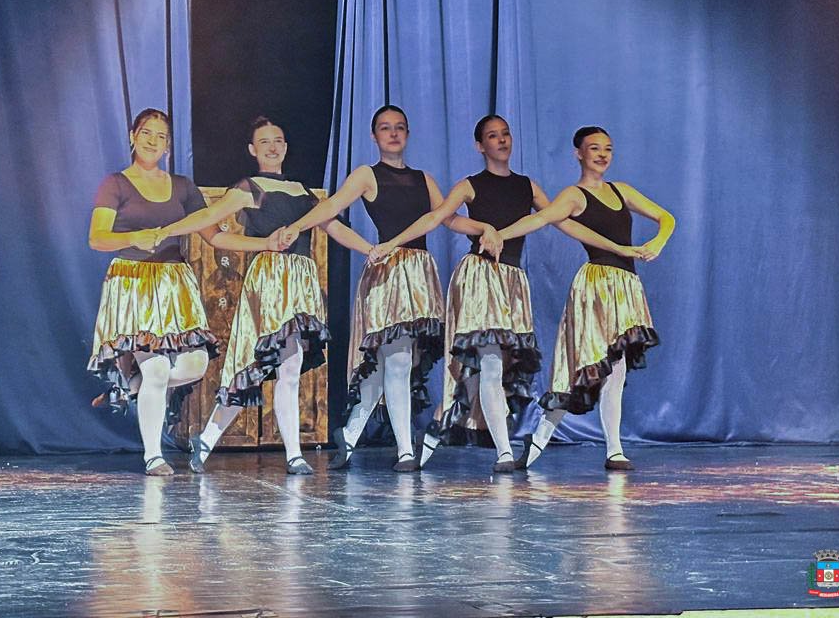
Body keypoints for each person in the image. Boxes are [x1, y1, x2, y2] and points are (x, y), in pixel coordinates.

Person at [281, 105, 499, 471]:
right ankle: (405, 449)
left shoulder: (424, 179)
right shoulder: (367, 175)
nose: (393, 133)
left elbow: (447, 218)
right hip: (389, 272)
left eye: (399, 127)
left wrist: (484, 228)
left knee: (390, 365)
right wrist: (297, 226)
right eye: (385, 128)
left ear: (408, 134)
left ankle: (350, 434)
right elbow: (330, 207)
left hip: (420, 275)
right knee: (396, 362)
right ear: (374, 136)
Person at [154, 116, 375, 474]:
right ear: (252, 149)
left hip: (300, 282)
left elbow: (333, 226)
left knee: (291, 368)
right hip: (270, 279)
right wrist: (165, 230)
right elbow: (210, 219)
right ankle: (207, 439)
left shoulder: (303, 191)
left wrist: (371, 250)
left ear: (285, 146)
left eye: (278, 140)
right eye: (264, 142)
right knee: (251, 365)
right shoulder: (248, 187)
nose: (272, 147)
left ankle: (294, 454)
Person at [368, 114, 552, 473]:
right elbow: (438, 218)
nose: (501, 140)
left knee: (482, 374)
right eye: (492, 136)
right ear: (480, 146)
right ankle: (504, 452)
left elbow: (559, 215)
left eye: (505, 134)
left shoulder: (527, 186)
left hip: (513, 283)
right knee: (490, 364)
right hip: (481, 279)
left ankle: (435, 431)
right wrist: (392, 243)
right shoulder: (470, 185)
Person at [497, 125, 674, 470]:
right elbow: (541, 218)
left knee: (616, 369)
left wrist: (657, 242)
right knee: (585, 367)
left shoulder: (621, 190)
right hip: (596, 286)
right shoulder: (574, 196)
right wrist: (498, 235)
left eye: (608, 148)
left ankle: (614, 449)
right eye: (594, 148)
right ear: (578, 154)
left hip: (626, 286)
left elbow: (666, 218)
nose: (603, 154)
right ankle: (539, 440)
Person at [86, 108, 220, 476]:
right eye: (147, 132)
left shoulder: (183, 186)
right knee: (158, 368)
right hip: (134, 283)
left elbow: (213, 232)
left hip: (174, 285)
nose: (153, 141)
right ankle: (153, 455)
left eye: (161, 136)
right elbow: (97, 238)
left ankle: (129, 385)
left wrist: (265, 242)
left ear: (168, 145)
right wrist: (134, 237)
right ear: (133, 136)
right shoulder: (116, 183)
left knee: (196, 363)